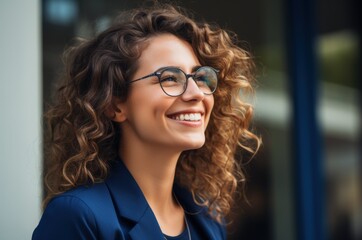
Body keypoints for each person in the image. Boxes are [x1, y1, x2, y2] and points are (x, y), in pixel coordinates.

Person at [32, 3, 260, 240]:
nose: (196, 93)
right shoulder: (78, 216)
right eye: (170, 78)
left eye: (201, 77)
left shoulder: (208, 220)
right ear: (115, 105)